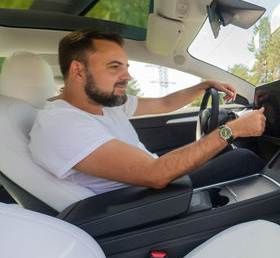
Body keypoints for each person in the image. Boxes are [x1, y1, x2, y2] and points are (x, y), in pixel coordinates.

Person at [29, 28, 266, 194]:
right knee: (243, 157)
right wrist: (231, 131)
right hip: (147, 198)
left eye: (126, 67)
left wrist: (204, 85)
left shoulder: (104, 103)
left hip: (153, 181)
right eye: (114, 67)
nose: (127, 76)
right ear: (78, 72)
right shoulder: (59, 124)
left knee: (231, 152)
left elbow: (163, 104)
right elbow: (154, 174)